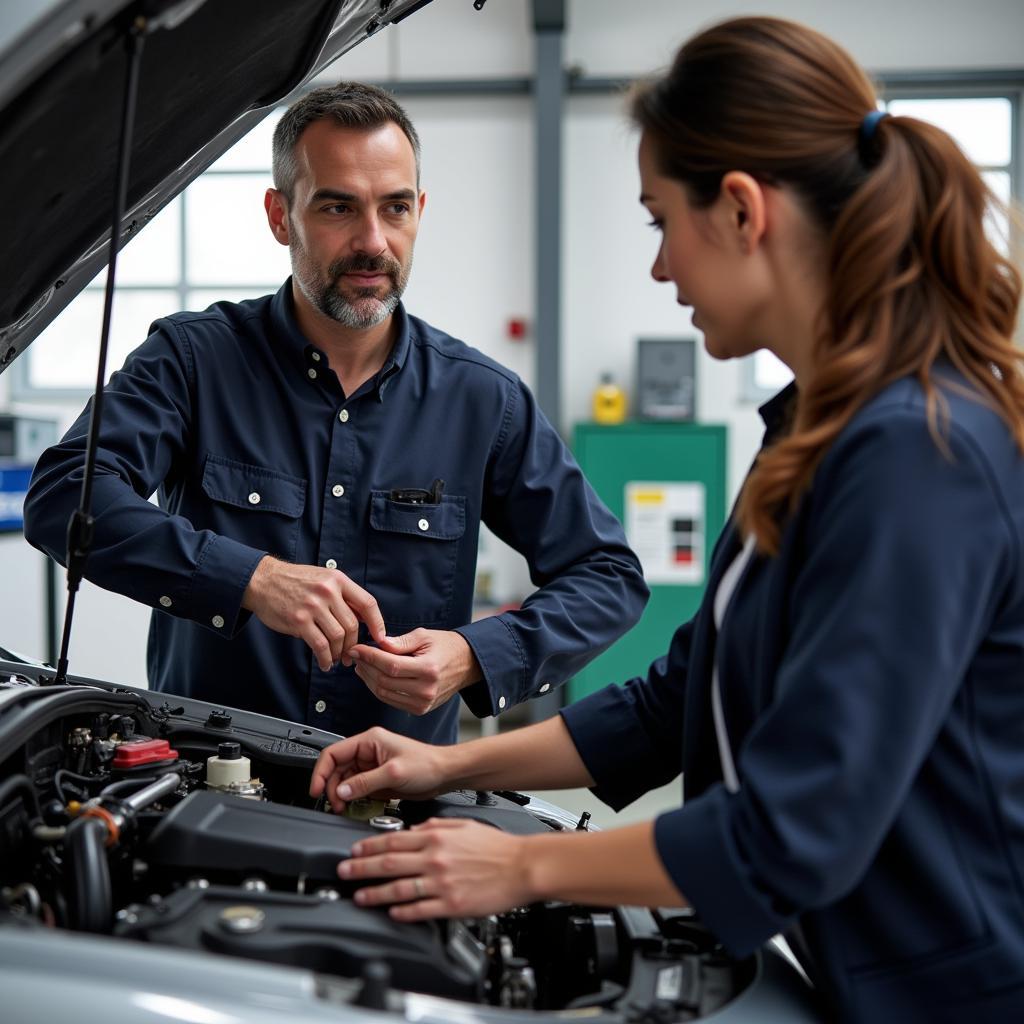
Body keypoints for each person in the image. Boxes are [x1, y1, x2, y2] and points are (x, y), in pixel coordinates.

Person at [309, 17, 1024, 1021]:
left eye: (658, 221)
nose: (658, 269)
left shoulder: (916, 454)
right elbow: (672, 704)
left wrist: (519, 867)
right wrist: (445, 762)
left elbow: (790, 832)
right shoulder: (814, 433)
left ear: (738, 209)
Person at [23, 82, 648, 744]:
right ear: (279, 215)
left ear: (419, 212)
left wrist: (475, 655)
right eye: (338, 207)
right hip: (208, 791)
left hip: (400, 804)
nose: (372, 241)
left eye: (395, 208)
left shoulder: (482, 399)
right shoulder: (191, 361)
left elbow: (607, 577)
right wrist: (251, 578)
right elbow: (66, 496)